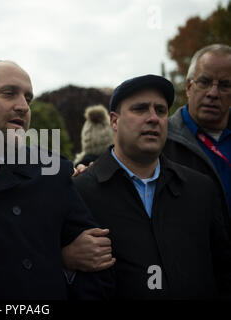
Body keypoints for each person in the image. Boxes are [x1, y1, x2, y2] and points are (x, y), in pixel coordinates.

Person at [0, 60, 115, 300]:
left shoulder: (54, 171)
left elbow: (97, 267)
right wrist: (58, 258)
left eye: (28, 99)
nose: (23, 106)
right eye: (9, 94)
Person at [73, 74, 231, 299]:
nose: (153, 118)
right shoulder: (80, 192)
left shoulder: (201, 189)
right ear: (114, 121)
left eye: (161, 110)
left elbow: (223, 270)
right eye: (140, 109)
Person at [164, 44, 231, 219]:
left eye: (224, 85)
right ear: (188, 87)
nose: (213, 93)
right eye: (204, 82)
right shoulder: (161, 139)